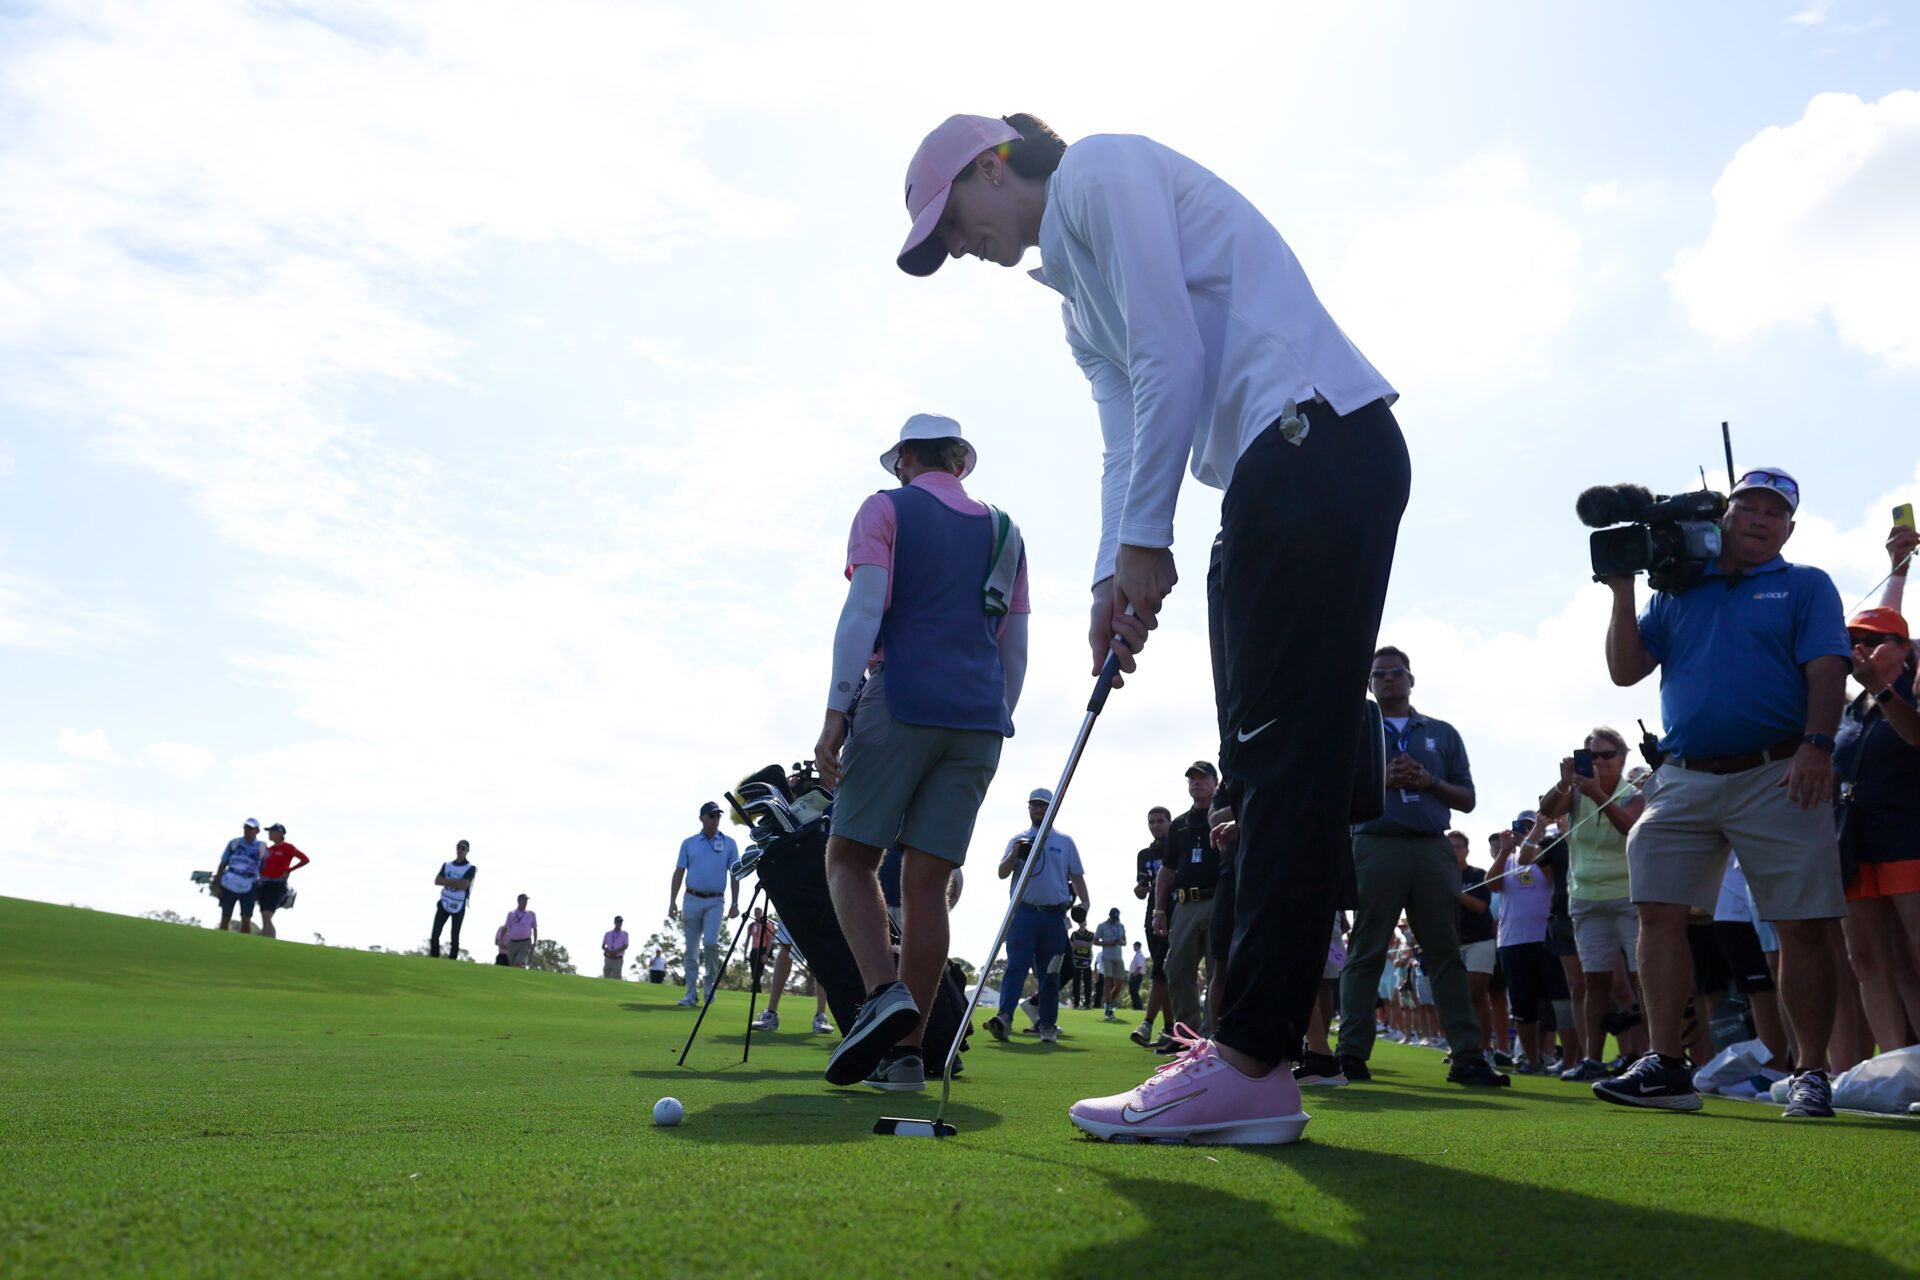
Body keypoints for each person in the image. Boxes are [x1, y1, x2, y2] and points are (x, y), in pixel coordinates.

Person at [897, 111, 1407, 1144]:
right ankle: (1249, 1054)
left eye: (950, 220)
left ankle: (1253, 1059)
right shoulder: (1075, 300)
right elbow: (1124, 430)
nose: (956, 247)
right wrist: (1106, 579)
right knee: (1264, 766)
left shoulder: (1100, 170)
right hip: (1279, 470)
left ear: (994, 164)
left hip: (1315, 439)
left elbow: (1171, 346)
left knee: (1284, 761)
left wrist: (1147, 539)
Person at [1594, 467, 1851, 1118]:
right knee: (1657, 911)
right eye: (1748, 508)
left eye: (1774, 512)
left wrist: (1818, 747)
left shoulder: (1805, 585)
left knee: (1803, 927)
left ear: (1789, 527)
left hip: (1780, 768)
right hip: (1685, 774)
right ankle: (1667, 1067)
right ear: (1724, 516)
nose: (1759, 520)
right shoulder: (1678, 589)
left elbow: (1827, 669)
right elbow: (1626, 671)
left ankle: (1811, 1072)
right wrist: (1623, 589)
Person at [812, 415, 1030, 1091]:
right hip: (981, 720)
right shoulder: (1006, 530)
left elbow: (863, 610)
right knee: (927, 885)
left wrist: (834, 714)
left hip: (901, 696)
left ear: (905, 459)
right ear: (960, 462)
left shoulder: (886, 509)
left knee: (850, 857)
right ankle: (906, 1060)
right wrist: (994, 717)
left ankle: (883, 993)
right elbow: (1014, 647)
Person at [1335, 650, 1505, 1086]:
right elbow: (1331, 791)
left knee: (1445, 953)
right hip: (1375, 843)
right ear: (1369, 684)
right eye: (1379, 674)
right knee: (1367, 949)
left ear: (1411, 680)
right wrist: (1382, 780)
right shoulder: (1353, 729)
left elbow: (1467, 798)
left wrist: (1428, 781)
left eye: (1397, 672)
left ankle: (1467, 1056)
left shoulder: (1441, 733)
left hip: (1431, 847)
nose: (1389, 679)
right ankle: (1351, 1054)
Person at [1537, 728, 1647, 1083]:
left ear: (1623, 756)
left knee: (1641, 978)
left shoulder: (1635, 793)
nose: (1599, 762)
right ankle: (1592, 1059)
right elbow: (1547, 812)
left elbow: (1628, 828)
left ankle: (1650, 1055)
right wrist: (1564, 783)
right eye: (1592, 756)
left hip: (1628, 897)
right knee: (1593, 981)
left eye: (1607, 755)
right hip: (1585, 898)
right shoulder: (1575, 794)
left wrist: (1598, 792)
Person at [1834, 604, 1920, 1051]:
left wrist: (1884, 691)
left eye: (1871, 640)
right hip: (1856, 845)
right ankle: (1895, 1065)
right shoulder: (1852, 710)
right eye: (1853, 642)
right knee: (1866, 959)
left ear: (1904, 648)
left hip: (1908, 838)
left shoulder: (1913, 689)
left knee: (1914, 958)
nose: (1859, 650)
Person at [985, 788, 1089, 1047]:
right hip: (1023, 913)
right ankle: (1005, 1018)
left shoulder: (1065, 842)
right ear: (1028, 808)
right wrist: (1014, 854)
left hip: (1054, 917)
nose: (1038, 810)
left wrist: (1085, 905)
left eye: (1043, 806)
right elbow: (1001, 872)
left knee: (1050, 973)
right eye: (1034, 806)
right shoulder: (1019, 839)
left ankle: (1047, 1025)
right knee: (1016, 966)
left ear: (1052, 809)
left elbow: (1076, 876)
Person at [1154, 762, 1222, 1044]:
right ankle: (1187, 1035)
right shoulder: (1180, 824)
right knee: (1176, 967)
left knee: (1219, 971)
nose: (1196, 783)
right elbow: (1167, 870)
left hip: (1219, 900)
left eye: (1202, 778)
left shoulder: (1225, 816)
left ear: (1215, 782)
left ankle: (1211, 1035)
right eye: (1192, 779)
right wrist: (1159, 910)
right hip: (1185, 904)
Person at [1494, 819, 1569, 1072]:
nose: (1523, 833)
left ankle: (1570, 1059)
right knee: (1522, 1003)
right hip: (1513, 941)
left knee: (1559, 1000)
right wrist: (1505, 850)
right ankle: (1532, 1060)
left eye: (1530, 827)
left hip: (1547, 939)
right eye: (1520, 829)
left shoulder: (1545, 856)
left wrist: (1537, 840)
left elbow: (1556, 880)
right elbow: (1492, 884)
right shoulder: (1508, 860)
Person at [669, 801, 742, 1007]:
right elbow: (679, 872)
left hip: (716, 901)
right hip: (691, 899)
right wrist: (672, 901)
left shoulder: (729, 843)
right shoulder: (689, 843)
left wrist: (735, 903)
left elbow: (735, 873)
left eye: (718, 816)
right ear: (701, 818)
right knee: (690, 950)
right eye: (711, 816)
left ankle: (709, 987)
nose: (715, 819)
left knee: (711, 943)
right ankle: (691, 993)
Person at [1450, 830, 1498, 1061]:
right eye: (1450, 846)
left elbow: (1480, 906)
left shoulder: (1478, 875)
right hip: (1452, 943)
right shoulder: (1437, 877)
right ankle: (1462, 1047)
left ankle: (1484, 1047)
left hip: (1480, 941)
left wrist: (1455, 893)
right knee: (1457, 997)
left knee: (1476, 994)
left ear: (1467, 850)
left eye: (1458, 846)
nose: (1454, 850)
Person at [1130, 805, 1173, 1047]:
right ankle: (1169, 1029)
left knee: (1160, 969)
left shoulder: (1176, 848)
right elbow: (1140, 888)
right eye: (1152, 822)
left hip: (1173, 913)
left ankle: (1147, 1023)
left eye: (1160, 821)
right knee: (1161, 971)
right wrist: (1140, 889)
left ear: (1169, 822)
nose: (1156, 825)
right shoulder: (1144, 855)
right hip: (1152, 915)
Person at [254, 822, 309, 941]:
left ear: (279, 833)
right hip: (264, 884)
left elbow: (305, 859)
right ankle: (264, 940)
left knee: (267, 915)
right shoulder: (270, 849)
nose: (269, 834)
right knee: (264, 915)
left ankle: (269, 941)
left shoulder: (288, 848)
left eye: (271, 831)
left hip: (277, 885)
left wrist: (289, 869)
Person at [211, 819, 267, 934]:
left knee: (246, 918)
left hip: (249, 885)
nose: (247, 831)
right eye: (246, 828)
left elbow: (263, 869)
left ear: (257, 830)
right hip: (229, 883)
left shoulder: (262, 847)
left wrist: (261, 889)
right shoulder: (234, 843)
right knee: (225, 916)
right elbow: (222, 864)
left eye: (250, 828)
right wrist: (217, 886)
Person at [429, 840, 476, 960]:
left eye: (463, 848)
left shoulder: (470, 868)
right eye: (459, 848)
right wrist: (455, 881)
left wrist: (448, 881)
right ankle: (434, 958)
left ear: (467, 851)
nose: (460, 850)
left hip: (458, 904)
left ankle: (452, 960)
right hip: (444, 902)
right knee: (435, 934)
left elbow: (464, 885)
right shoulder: (447, 865)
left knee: (454, 936)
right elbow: (437, 881)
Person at [1095, 908, 1128, 1018]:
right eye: (1113, 918)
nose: (1115, 920)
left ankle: (1107, 1002)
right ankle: (1108, 1009)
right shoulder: (1102, 926)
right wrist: (1109, 943)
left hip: (1118, 957)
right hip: (1107, 956)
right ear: (1110, 916)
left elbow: (1125, 942)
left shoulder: (1121, 926)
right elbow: (1095, 941)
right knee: (1108, 982)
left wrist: (1120, 942)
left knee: (1118, 984)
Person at [1067, 908, 1097, 1011]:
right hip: (1076, 961)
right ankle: (1076, 1003)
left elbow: (1089, 945)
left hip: (1087, 961)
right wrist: (1082, 944)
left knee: (1087, 983)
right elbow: (1072, 945)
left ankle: (1087, 1003)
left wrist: (1080, 944)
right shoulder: (1074, 934)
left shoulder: (1091, 934)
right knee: (1076, 983)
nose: (1082, 923)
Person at [502, 894, 537, 968]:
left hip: (525, 943)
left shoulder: (531, 914)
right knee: (513, 965)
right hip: (512, 943)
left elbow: (534, 928)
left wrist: (535, 941)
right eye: (524, 900)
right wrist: (501, 940)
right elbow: (505, 928)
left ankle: (521, 965)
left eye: (526, 900)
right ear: (518, 901)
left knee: (518, 963)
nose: (525, 902)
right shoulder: (511, 914)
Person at [601, 916, 629, 980]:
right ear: (614, 922)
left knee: (617, 978)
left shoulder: (625, 934)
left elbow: (625, 946)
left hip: (618, 959)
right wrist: (608, 952)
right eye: (618, 921)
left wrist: (616, 952)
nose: (620, 923)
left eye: (621, 922)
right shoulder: (608, 934)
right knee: (606, 977)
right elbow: (603, 946)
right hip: (608, 958)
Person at [1127, 941, 1146, 1010]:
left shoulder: (1140, 955)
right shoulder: (1137, 955)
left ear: (1138, 946)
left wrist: (1134, 975)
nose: (1133, 947)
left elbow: (1139, 966)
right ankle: (1135, 1007)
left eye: (1134, 946)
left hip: (1137, 975)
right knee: (1132, 991)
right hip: (1134, 975)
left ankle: (1138, 1007)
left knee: (1134, 991)